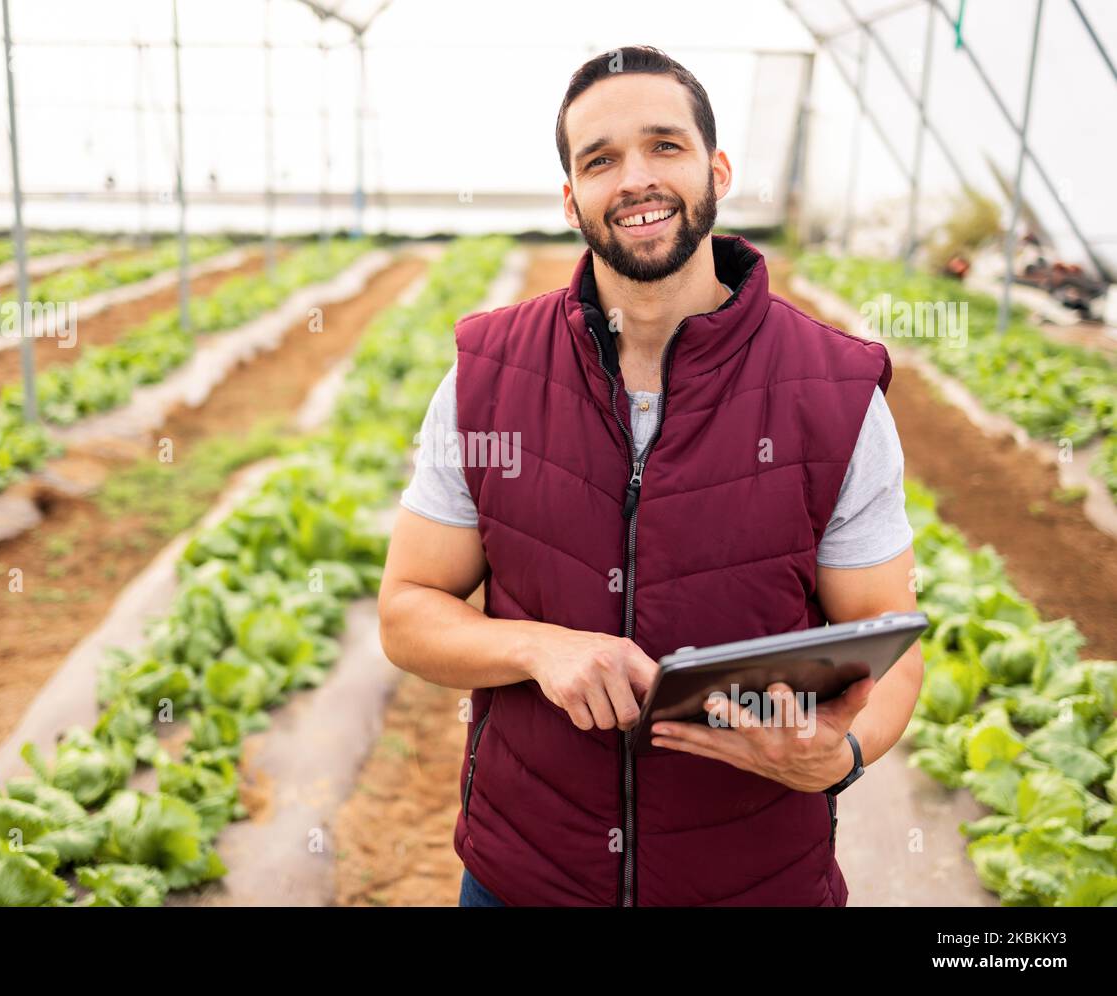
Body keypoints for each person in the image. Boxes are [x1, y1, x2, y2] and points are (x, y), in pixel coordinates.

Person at [378, 45, 924, 907]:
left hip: (753, 882)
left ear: (717, 169)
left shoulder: (835, 393)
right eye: (600, 160)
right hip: (528, 878)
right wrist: (536, 646)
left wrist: (843, 753)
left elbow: (887, 638)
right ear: (571, 200)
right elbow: (408, 611)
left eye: (664, 146)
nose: (635, 179)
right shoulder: (487, 377)